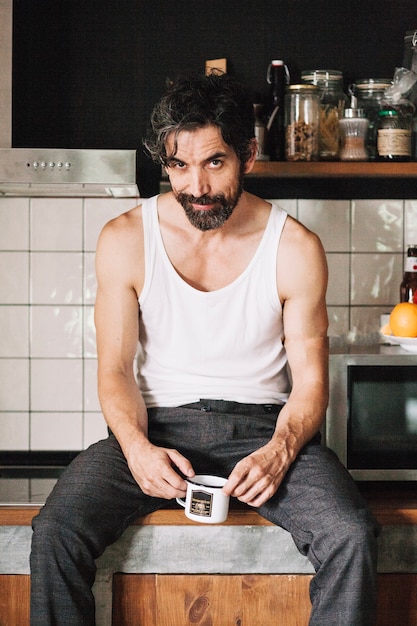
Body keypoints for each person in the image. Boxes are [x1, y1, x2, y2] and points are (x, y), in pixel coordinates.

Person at [30, 72, 380, 625]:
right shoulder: (124, 238)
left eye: (214, 162)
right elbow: (116, 371)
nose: (196, 186)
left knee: (352, 535)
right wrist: (137, 448)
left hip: (266, 430)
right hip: (157, 431)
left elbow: (312, 384)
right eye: (178, 165)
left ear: (248, 154)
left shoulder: (294, 247)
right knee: (54, 532)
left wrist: (281, 450)